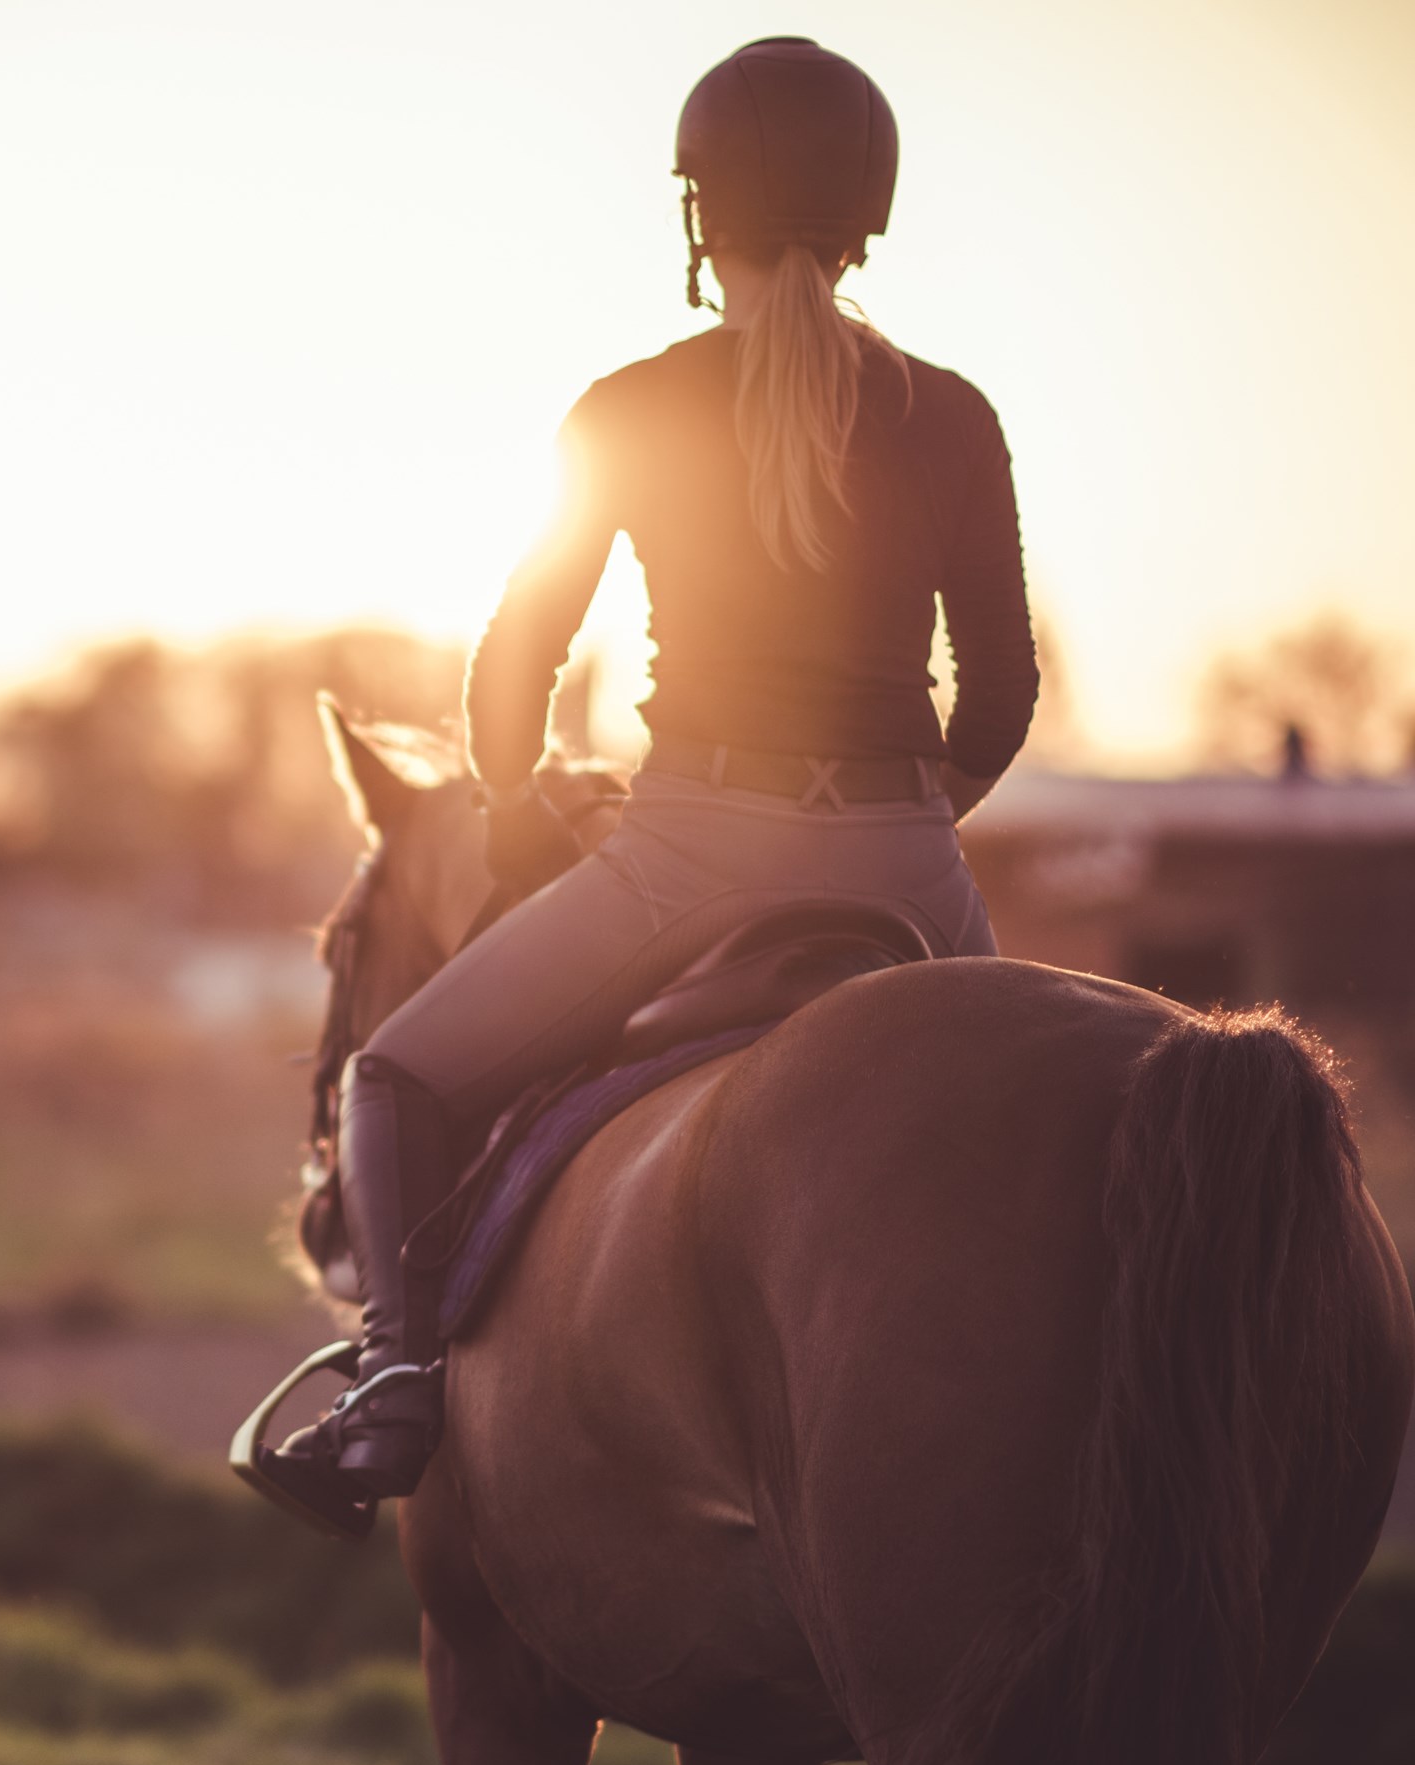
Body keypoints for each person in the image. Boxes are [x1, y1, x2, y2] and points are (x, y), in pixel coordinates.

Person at [256, 35, 1040, 1521]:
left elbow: (519, 655)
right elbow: (1000, 692)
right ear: (867, 213)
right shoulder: (955, 415)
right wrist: (905, 819)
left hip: (689, 856)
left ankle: (397, 1385)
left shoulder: (631, 405)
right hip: (910, 870)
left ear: (702, 215)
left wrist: (506, 811)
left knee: (397, 1076)